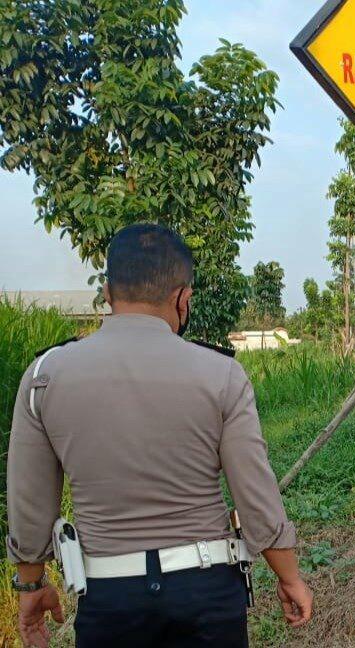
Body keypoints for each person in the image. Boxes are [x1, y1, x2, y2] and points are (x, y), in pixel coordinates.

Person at [7, 224, 312, 648]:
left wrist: (31, 584)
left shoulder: (45, 377)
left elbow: (30, 498)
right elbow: (255, 494)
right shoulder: (221, 374)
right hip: (206, 597)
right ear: (182, 298)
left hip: (109, 600)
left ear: (108, 293)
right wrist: (290, 577)